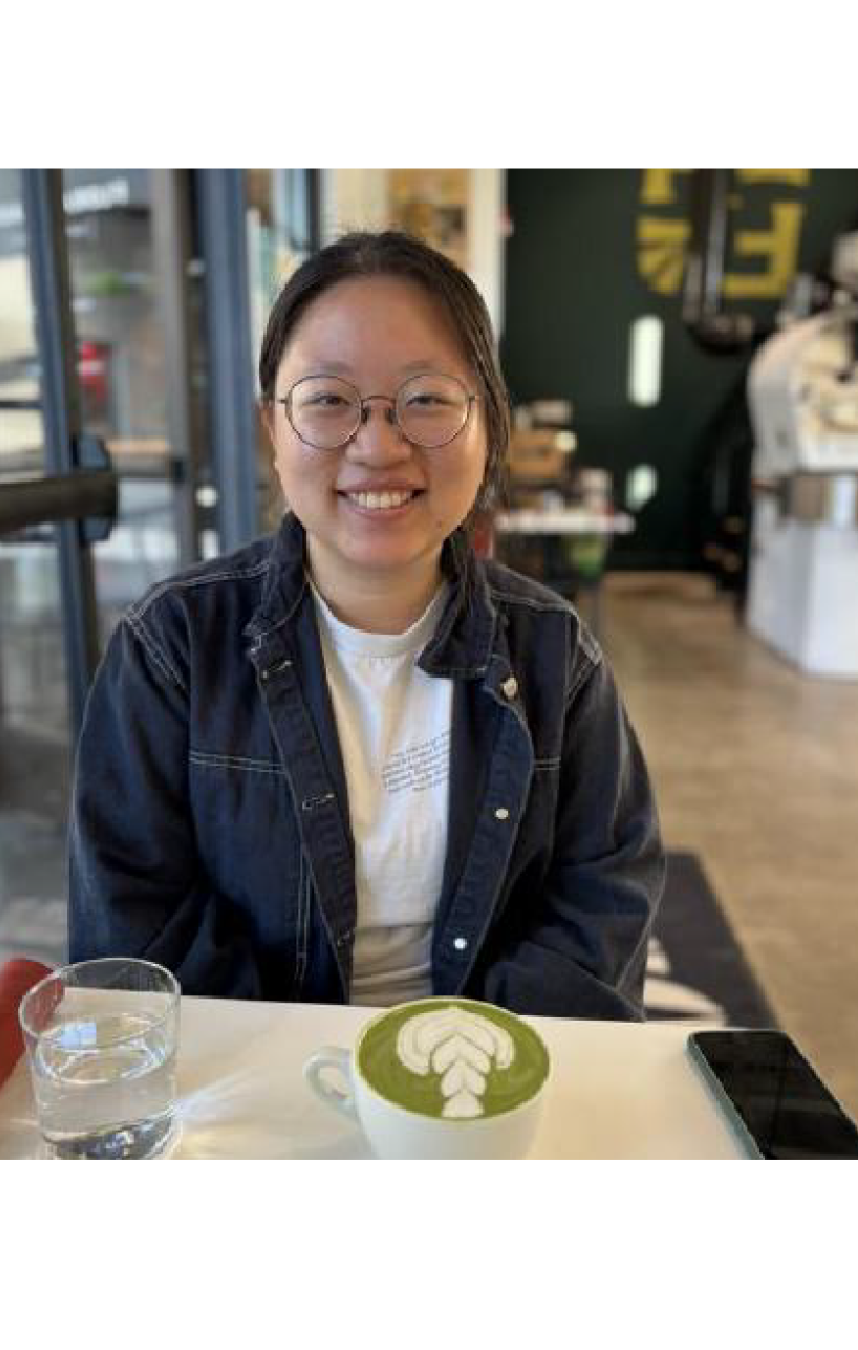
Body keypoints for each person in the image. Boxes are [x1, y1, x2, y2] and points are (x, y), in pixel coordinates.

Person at [69, 229, 664, 1019]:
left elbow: (605, 897)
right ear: (271, 430)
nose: (378, 445)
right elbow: (131, 926)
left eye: (425, 399)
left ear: (486, 426)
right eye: (327, 400)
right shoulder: (172, 646)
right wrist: (307, 1067)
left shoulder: (556, 652)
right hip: (253, 1083)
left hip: (485, 1085)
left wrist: (456, 1062)